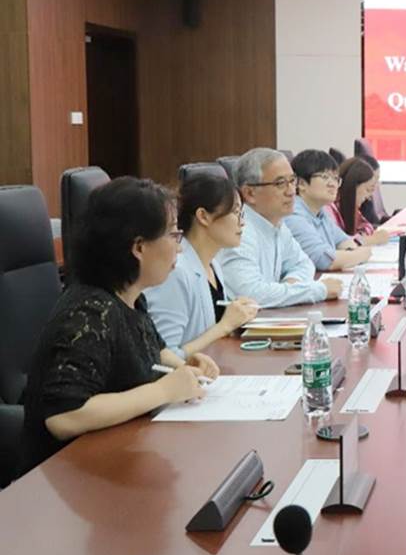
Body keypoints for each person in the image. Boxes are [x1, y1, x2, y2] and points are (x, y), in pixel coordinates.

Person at [21, 178, 219, 472]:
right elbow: (64, 417)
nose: (179, 249)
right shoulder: (90, 311)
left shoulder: (131, 296)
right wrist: (164, 391)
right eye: (173, 235)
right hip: (68, 475)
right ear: (139, 247)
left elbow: (154, 350)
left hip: (120, 455)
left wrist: (184, 367)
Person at [144, 174, 259, 358]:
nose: (242, 222)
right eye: (235, 212)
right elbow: (163, 358)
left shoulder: (213, 264)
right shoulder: (175, 271)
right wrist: (224, 326)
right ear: (203, 216)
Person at [217, 148, 342, 307]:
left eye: (292, 181)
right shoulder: (240, 231)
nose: (291, 191)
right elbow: (250, 294)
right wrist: (319, 290)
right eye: (280, 183)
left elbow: (304, 264)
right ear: (250, 193)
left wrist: (289, 289)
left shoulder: (276, 222)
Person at [285, 150, 378, 271]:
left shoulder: (321, 212)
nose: (333, 184)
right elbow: (324, 260)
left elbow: (345, 242)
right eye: (325, 177)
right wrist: (361, 255)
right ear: (301, 183)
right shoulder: (293, 215)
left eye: (335, 178)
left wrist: (350, 254)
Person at [330, 155, 392, 245]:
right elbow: (341, 243)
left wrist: (362, 236)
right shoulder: (330, 209)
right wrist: (371, 240)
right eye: (367, 190)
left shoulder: (351, 207)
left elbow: (367, 226)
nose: (369, 197)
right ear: (353, 187)